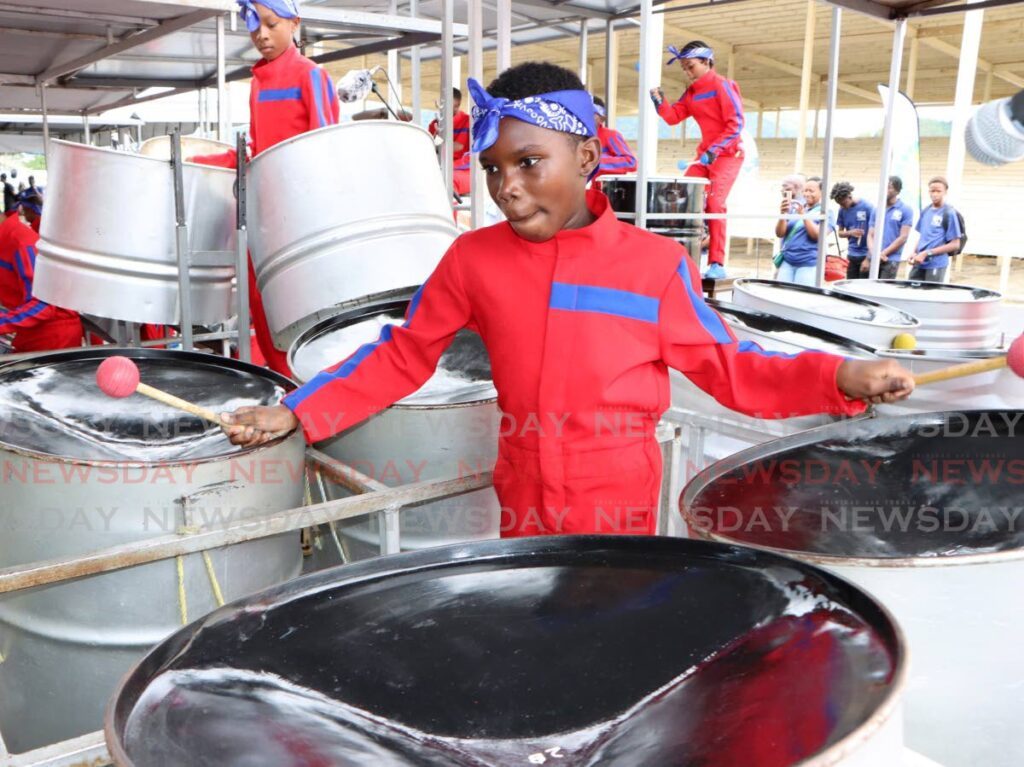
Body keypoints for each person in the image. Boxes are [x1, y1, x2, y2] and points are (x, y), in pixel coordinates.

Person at [221, 62, 914, 537]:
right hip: (521, 504)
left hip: (618, 515)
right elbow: (402, 357)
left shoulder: (654, 267)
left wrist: (836, 376)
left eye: (529, 162)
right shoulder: (472, 259)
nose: (507, 187)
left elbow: (738, 369)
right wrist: (297, 413)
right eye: (492, 169)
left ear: (586, 158)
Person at [191, 0, 340, 377]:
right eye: (255, 26)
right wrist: (209, 162)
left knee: (301, 311)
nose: (262, 35)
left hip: (301, 218)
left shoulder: (311, 75)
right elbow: (258, 151)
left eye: (272, 24)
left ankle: (309, 388)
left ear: (294, 23)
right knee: (262, 308)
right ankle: (284, 388)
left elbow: (324, 148)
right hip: (264, 215)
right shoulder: (257, 81)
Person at [651, 41, 745, 280]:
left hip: (727, 155)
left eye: (690, 66)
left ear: (706, 62)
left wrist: (715, 149)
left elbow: (736, 124)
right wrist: (659, 101)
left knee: (714, 205)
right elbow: (673, 117)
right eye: (684, 68)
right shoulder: (691, 91)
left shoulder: (723, 85)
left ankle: (716, 262)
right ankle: (678, 255)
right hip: (704, 155)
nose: (687, 72)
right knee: (683, 197)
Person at [0, 194, 82, 353]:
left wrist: (3, 323)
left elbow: (42, 304)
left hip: (52, 336)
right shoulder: (7, 239)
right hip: (31, 331)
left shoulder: (22, 243)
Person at [775, 176, 834, 286]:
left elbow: (817, 235)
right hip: (788, 261)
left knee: (800, 296)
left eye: (811, 191)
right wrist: (782, 214)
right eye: (805, 191)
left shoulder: (826, 213)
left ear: (822, 193)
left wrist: (803, 215)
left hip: (808, 264)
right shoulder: (794, 208)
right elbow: (780, 233)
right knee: (781, 294)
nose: (806, 194)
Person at [910, 176, 961, 283]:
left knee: (930, 295)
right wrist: (914, 252)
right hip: (919, 262)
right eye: (932, 191)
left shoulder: (949, 213)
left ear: (945, 192)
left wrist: (927, 253)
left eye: (938, 191)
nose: (935, 194)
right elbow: (923, 236)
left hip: (936, 264)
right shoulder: (926, 211)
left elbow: (955, 244)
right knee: (912, 293)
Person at [867, 175, 914, 280]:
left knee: (883, 290)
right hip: (873, 258)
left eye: (888, 187)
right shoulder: (876, 209)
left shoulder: (905, 210)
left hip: (890, 259)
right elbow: (870, 234)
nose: (885, 190)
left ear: (897, 191)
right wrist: (873, 253)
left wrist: (883, 253)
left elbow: (903, 237)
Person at [830, 181, 873, 279]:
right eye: (839, 204)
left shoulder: (867, 207)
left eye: (843, 203)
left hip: (865, 254)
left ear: (849, 196)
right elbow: (840, 233)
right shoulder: (842, 210)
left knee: (862, 287)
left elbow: (876, 235)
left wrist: (868, 259)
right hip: (851, 255)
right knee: (849, 285)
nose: (842, 206)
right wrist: (850, 233)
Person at [592, 96, 636, 179]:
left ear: (602, 118)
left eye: (592, 114)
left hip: (604, 189)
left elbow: (631, 162)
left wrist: (595, 161)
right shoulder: (576, 138)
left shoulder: (611, 135)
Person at [429, 87, 470, 166]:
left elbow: (458, 147)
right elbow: (429, 147)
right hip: (440, 165)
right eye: (442, 103)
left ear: (457, 105)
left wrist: (436, 144)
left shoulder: (467, 121)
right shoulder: (434, 123)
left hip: (461, 167)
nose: (442, 107)